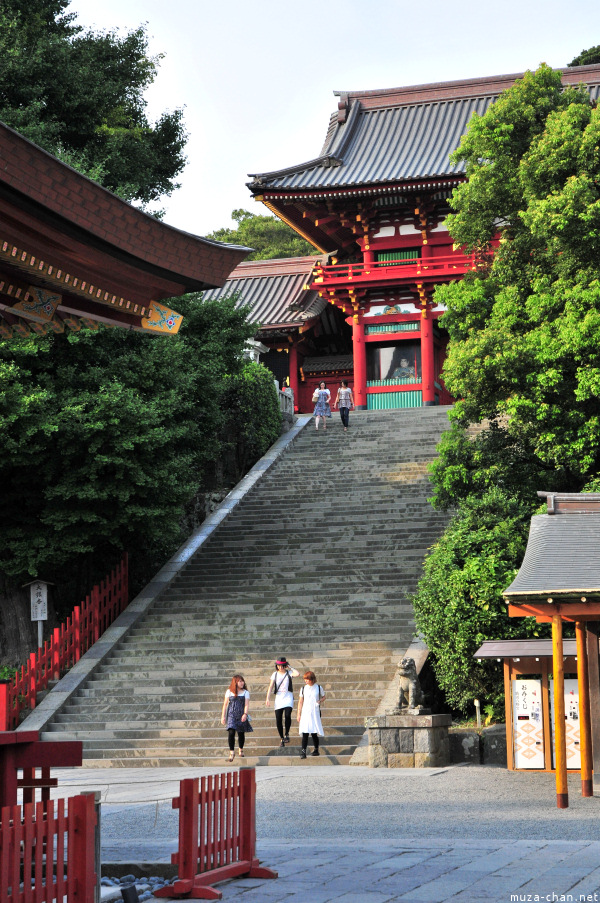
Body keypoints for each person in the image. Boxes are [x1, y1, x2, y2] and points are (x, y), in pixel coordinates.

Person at [266, 656, 299, 747]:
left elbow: (297, 674)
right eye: (279, 666)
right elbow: (271, 686)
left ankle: (287, 733)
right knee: (278, 719)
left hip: (288, 697)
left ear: (285, 665)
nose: (280, 667)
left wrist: (290, 667)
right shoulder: (275, 674)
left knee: (287, 715)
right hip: (279, 698)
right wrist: (267, 698)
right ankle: (282, 738)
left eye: (282, 666)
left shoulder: (289, 673)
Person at [221, 674, 253, 762]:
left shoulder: (246, 692)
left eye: (242, 681)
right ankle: (231, 752)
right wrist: (223, 716)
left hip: (241, 715)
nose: (242, 683)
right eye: (239, 681)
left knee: (241, 734)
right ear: (235, 682)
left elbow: (246, 704)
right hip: (231, 715)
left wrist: (245, 714)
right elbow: (225, 704)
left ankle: (241, 749)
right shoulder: (229, 691)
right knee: (231, 732)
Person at [297, 670, 325, 759]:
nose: (306, 681)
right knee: (305, 731)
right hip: (305, 711)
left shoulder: (318, 687)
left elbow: (324, 697)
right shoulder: (303, 688)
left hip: (315, 711)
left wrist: (320, 701)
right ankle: (303, 751)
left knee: (314, 732)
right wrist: (298, 713)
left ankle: (316, 749)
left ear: (312, 679)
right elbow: (300, 701)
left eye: (307, 679)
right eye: (305, 679)